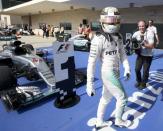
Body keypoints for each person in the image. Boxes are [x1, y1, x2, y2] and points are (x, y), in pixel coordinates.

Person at [86, 7, 132, 128]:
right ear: (102, 21)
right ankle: (119, 120)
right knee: (122, 98)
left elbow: (123, 54)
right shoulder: (98, 39)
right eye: (109, 20)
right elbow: (91, 62)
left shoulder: (119, 36)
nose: (112, 23)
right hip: (107, 72)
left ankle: (99, 121)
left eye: (114, 20)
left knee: (106, 98)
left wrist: (127, 68)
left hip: (115, 72)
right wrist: (89, 84)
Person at [132, 20, 154, 89]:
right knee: (137, 69)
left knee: (145, 71)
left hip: (148, 55)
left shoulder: (150, 33)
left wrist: (144, 44)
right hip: (140, 54)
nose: (141, 27)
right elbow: (132, 44)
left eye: (143, 26)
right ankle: (139, 81)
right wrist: (133, 46)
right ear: (138, 26)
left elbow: (151, 46)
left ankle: (143, 83)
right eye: (140, 26)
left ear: (145, 26)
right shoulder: (135, 33)